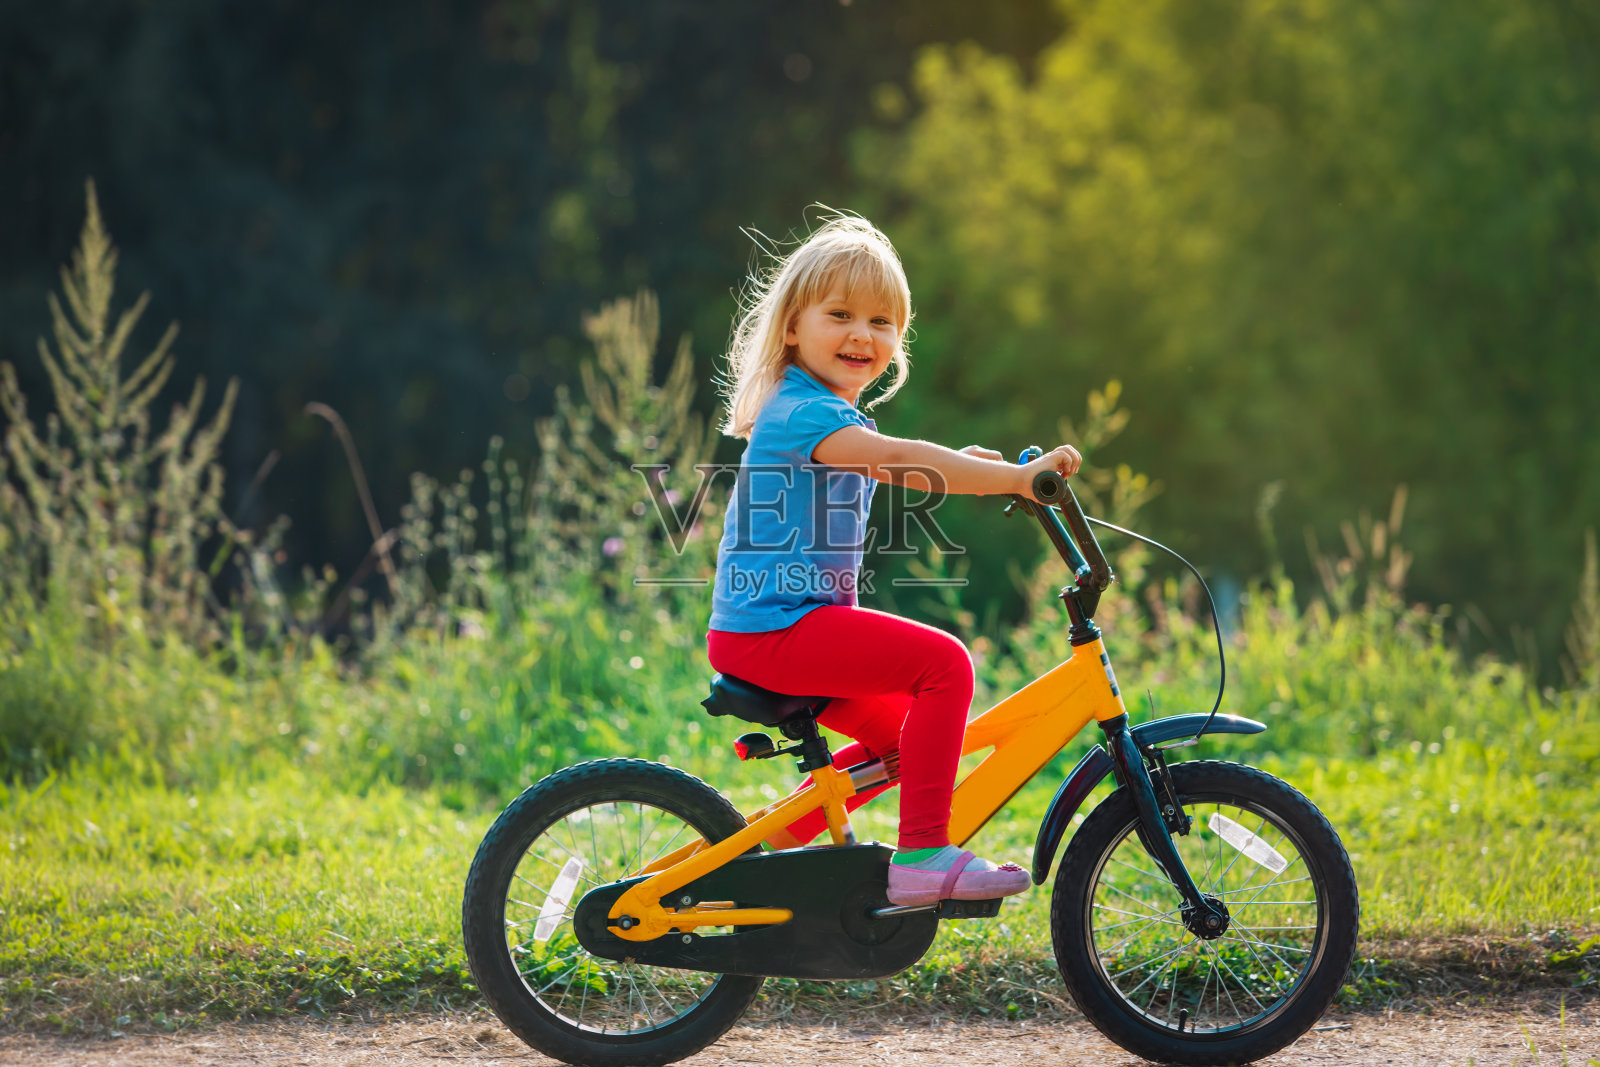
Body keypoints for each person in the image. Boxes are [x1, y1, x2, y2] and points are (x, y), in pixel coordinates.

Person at [705, 213, 1082, 906]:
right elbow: (899, 460)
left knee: (907, 744)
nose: (861, 334)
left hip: (784, 628)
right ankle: (923, 858)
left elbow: (890, 461)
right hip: (776, 630)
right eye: (840, 314)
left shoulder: (824, 413)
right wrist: (1014, 480)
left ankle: (766, 848)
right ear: (793, 327)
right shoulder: (805, 415)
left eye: (882, 322)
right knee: (945, 666)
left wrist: (965, 465)